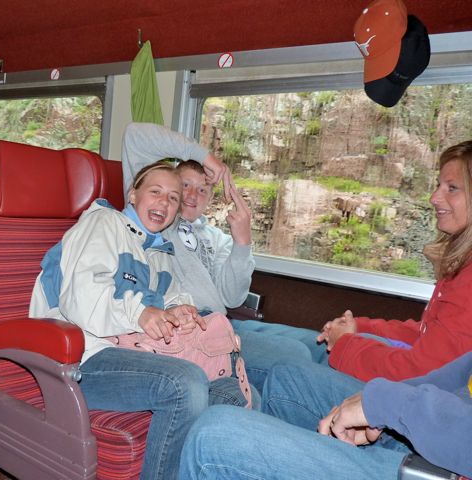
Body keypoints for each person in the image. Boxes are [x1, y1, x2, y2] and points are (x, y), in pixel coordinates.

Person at [30, 161, 255, 480]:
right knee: (185, 382)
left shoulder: (159, 252)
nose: (164, 202)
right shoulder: (103, 224)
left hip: (133, 351)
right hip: (79, 357)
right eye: (156, 192)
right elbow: (80, 294)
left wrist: (181, 312)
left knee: (235, 393)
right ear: (133, 194)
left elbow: (174, 298)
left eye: (173, 198)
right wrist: (140, 313)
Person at [232, 140, 472, 383]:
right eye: (438, 186)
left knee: (285, 374)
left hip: (407, 393)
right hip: (408, 379)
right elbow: (424, 334)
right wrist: (359, 327)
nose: (434, 198)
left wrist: (345, 344)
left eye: (452, 188)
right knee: (256, 333)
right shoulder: (461, 268)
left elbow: (422, 372)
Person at [121, 123, 313, 390]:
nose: (191, 195)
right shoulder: (158, 218)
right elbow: (134, 136)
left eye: (202, 190)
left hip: (221, 324)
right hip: (186, 325)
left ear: (211, 198)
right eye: (184, 185)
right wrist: (203, 156)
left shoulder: (218, 238)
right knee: (296, 357)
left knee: (308, 346)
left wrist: (242, 242)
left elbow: (233, 298)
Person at [179, 353, 472, 480]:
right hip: (448, 427)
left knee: (214, 437)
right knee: (287, 379)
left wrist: (391, 404)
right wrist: (379, 409)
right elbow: (454, 380)